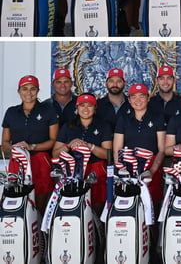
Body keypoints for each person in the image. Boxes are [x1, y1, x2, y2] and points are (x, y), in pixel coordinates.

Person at [1, 75, 59, 213]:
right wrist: (15, 148)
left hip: (40, 160)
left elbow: (53, 141)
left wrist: (32, 147)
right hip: (18, 160)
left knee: (40, 202)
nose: (29, 92)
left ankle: (39, 230)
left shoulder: (48, 110)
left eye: (33, 89)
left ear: (38, 91)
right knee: (17, 198)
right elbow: (4, 142)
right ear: (19, 91)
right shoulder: (11, 112)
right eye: (24, 89)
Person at [52, 93, 112, 214]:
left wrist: (89, 146)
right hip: (72, 172)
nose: (85, 109)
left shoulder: (103, 125)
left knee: (96, 209)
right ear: (77, 107)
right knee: (74, 208)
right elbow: (55, 154)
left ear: (95, 108)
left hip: (95, 170)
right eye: (82, 105)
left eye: (89, 105)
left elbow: (108, 154)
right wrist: (68, 145)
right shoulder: (68, 126)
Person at [113, 83, 166, 205]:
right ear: (129, 100)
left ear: (148, 98)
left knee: (151, 204)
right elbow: (117, 149)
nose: (138, 100)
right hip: (127, 166)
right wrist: (121, 169)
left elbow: (162, 149)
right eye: (134, 97)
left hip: (150, 166)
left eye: (142, 96)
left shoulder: (158, 117)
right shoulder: (123, 119)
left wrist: (152, 171)